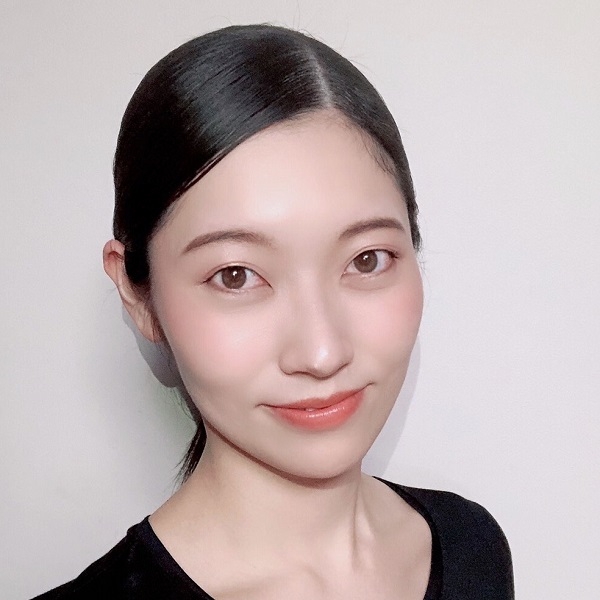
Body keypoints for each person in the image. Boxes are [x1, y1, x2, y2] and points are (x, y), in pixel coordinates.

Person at [33, 24, 514, 600]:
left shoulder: (470, 545)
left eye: (367, 260)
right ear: (138, 294)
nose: (322, 352)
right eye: (236, 276)